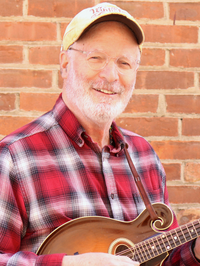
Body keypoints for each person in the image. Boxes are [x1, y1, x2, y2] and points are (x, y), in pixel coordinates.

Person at [0, 2, 199, 265]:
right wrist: (68, 264)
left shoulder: (145, 156)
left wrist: (193, 252)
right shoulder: (15, 157)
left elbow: (165, 258)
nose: (111, 75)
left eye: (124, 63)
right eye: (96, 58)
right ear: (65, 62)